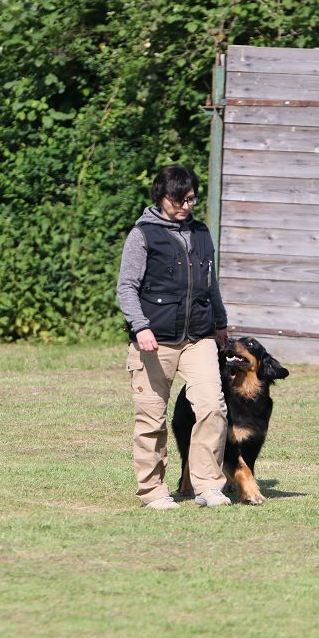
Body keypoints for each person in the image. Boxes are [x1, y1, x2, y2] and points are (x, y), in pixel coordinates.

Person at [116, 165, 232, 509]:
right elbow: (127, 286)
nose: (185, 205)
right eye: (177, 199)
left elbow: (210, 285)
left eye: (191, 199)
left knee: (213, 407)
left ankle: (209, 485)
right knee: (151, 418)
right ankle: (153, 491)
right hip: (155, 338)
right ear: (160, 197)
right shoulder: (143, 234)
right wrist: (141, 325)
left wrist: (220, 322)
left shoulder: (201, 232)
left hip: (199, 337)